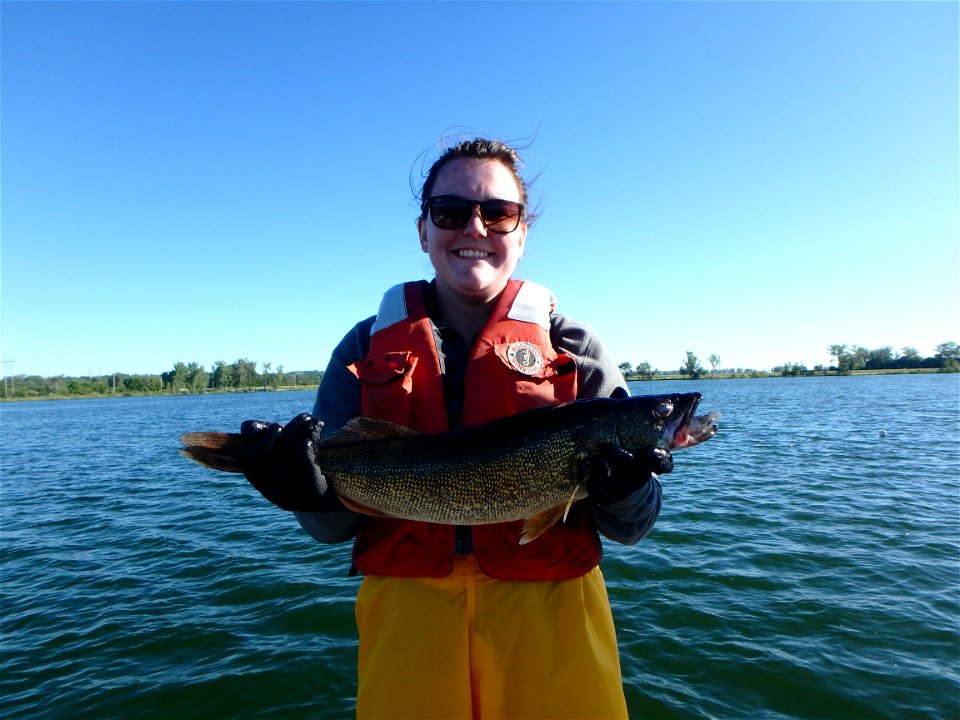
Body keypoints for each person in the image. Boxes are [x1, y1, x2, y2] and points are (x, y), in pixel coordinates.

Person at [240, 137, 670, 719]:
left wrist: (628, 490)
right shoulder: (366, 347)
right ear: (424, 231)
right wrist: (308, 494)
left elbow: (631, 529)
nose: (475, 228)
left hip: (554, 615)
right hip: (408, 619)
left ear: (522, 232)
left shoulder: (577, 348)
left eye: (498, 213)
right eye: (451, 212)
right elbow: (330, 529)